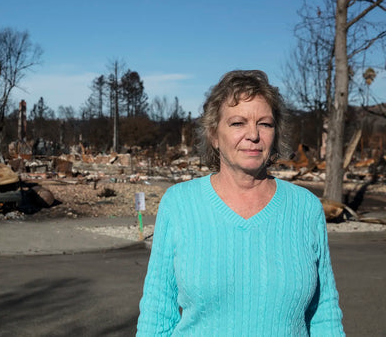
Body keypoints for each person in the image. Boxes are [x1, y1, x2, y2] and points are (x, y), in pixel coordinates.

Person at [136, 70, 345, 336]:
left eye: (265, 124)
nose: (253, 135)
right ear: (214, 135)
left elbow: (324, 314)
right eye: (237, 123)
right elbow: (157, 313)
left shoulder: (305, 207)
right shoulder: (179, 204)